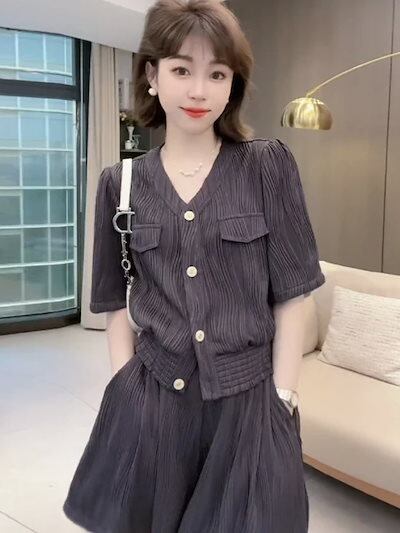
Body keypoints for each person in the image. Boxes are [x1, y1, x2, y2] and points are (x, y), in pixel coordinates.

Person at [63, 0, 326, 531]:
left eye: (217, 74)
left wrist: (284, 397)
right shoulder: (121, 184)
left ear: (233, 85)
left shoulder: (266, 166)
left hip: (249, 404)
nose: (199, 90)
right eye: (182, 70)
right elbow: (115, 302)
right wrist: (126, 390)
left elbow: (293, 294)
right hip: (156, 400)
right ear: (152, 76)